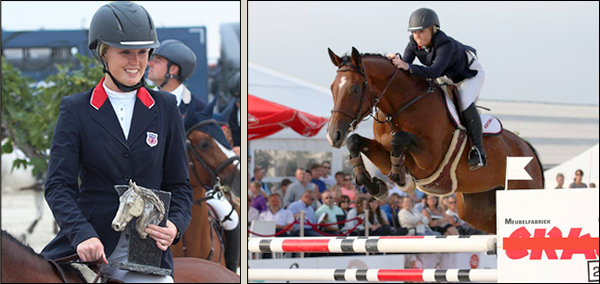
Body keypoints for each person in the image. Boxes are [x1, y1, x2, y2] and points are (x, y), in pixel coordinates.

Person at [40, 2, 193, 282]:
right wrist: (82, 233)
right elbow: (58, 185)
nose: (136, 62)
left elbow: (180, 185)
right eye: (125, 52)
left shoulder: (166, 107)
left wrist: (175, 225)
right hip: (88, 244)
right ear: (103, 53)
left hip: (144, 251)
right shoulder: (75, 109)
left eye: (143, 53)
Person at [387, 8, 487, 170]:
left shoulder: (444, 43)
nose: (417, 36)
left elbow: (434, 71)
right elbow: (405, 68)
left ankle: (479, 151)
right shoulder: (413, 43)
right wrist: (394, 62)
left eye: (421, 31)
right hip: (447, 75)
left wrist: (407, 66)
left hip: (469, 75)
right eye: (414, 33)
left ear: (433, 29)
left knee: (463, 101)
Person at [146, 39, 206, 118]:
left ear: (173, 69)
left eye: (157, 61)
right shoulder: (142, 101)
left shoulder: (199, 109)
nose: (149, 64)